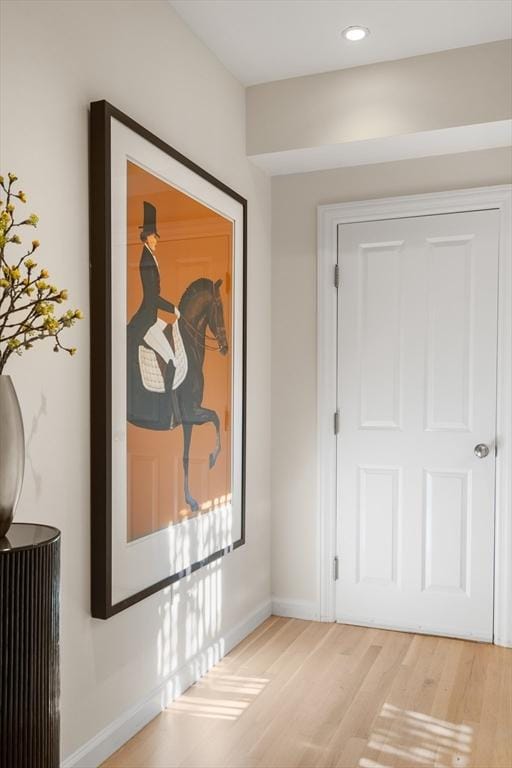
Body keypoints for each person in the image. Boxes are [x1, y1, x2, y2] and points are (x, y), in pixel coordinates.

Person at [127, 201, 180, 429]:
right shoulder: (146, 260)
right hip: (147, 318)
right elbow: (151, 297)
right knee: (170, 360)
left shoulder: (151, 257)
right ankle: (163, 415)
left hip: (150, 315)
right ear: (147, 237)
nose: (157, 240)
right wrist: (173, 308)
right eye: (154, 237)